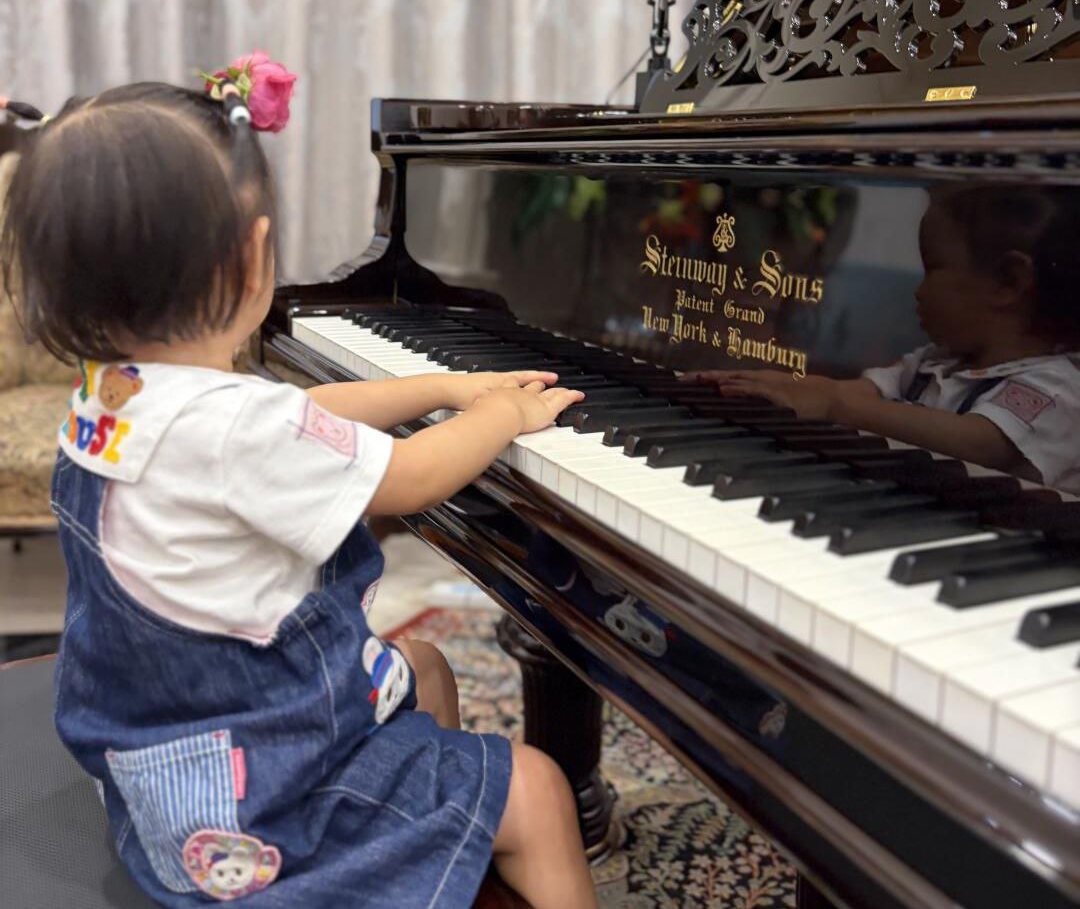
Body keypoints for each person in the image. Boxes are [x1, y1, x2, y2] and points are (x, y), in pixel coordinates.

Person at [0, 62, 597, 908]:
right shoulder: (241, 432)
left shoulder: (115, 397)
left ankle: (420, 866)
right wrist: (498, 413)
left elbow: (295, 410)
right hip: (264, 809)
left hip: (163, 776)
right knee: (536, 788)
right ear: (252, 260)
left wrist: (439, 386)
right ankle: (379, 859)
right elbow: (414, 472)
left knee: (423, 667)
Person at [687, 184, 1080, 495]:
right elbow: (861, 392)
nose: (918, 291)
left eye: (932, 269)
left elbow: (980, 443)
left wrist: (832, 402)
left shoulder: (1058, 387)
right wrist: (780, 384)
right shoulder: (935, 362)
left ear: (1008, 283)